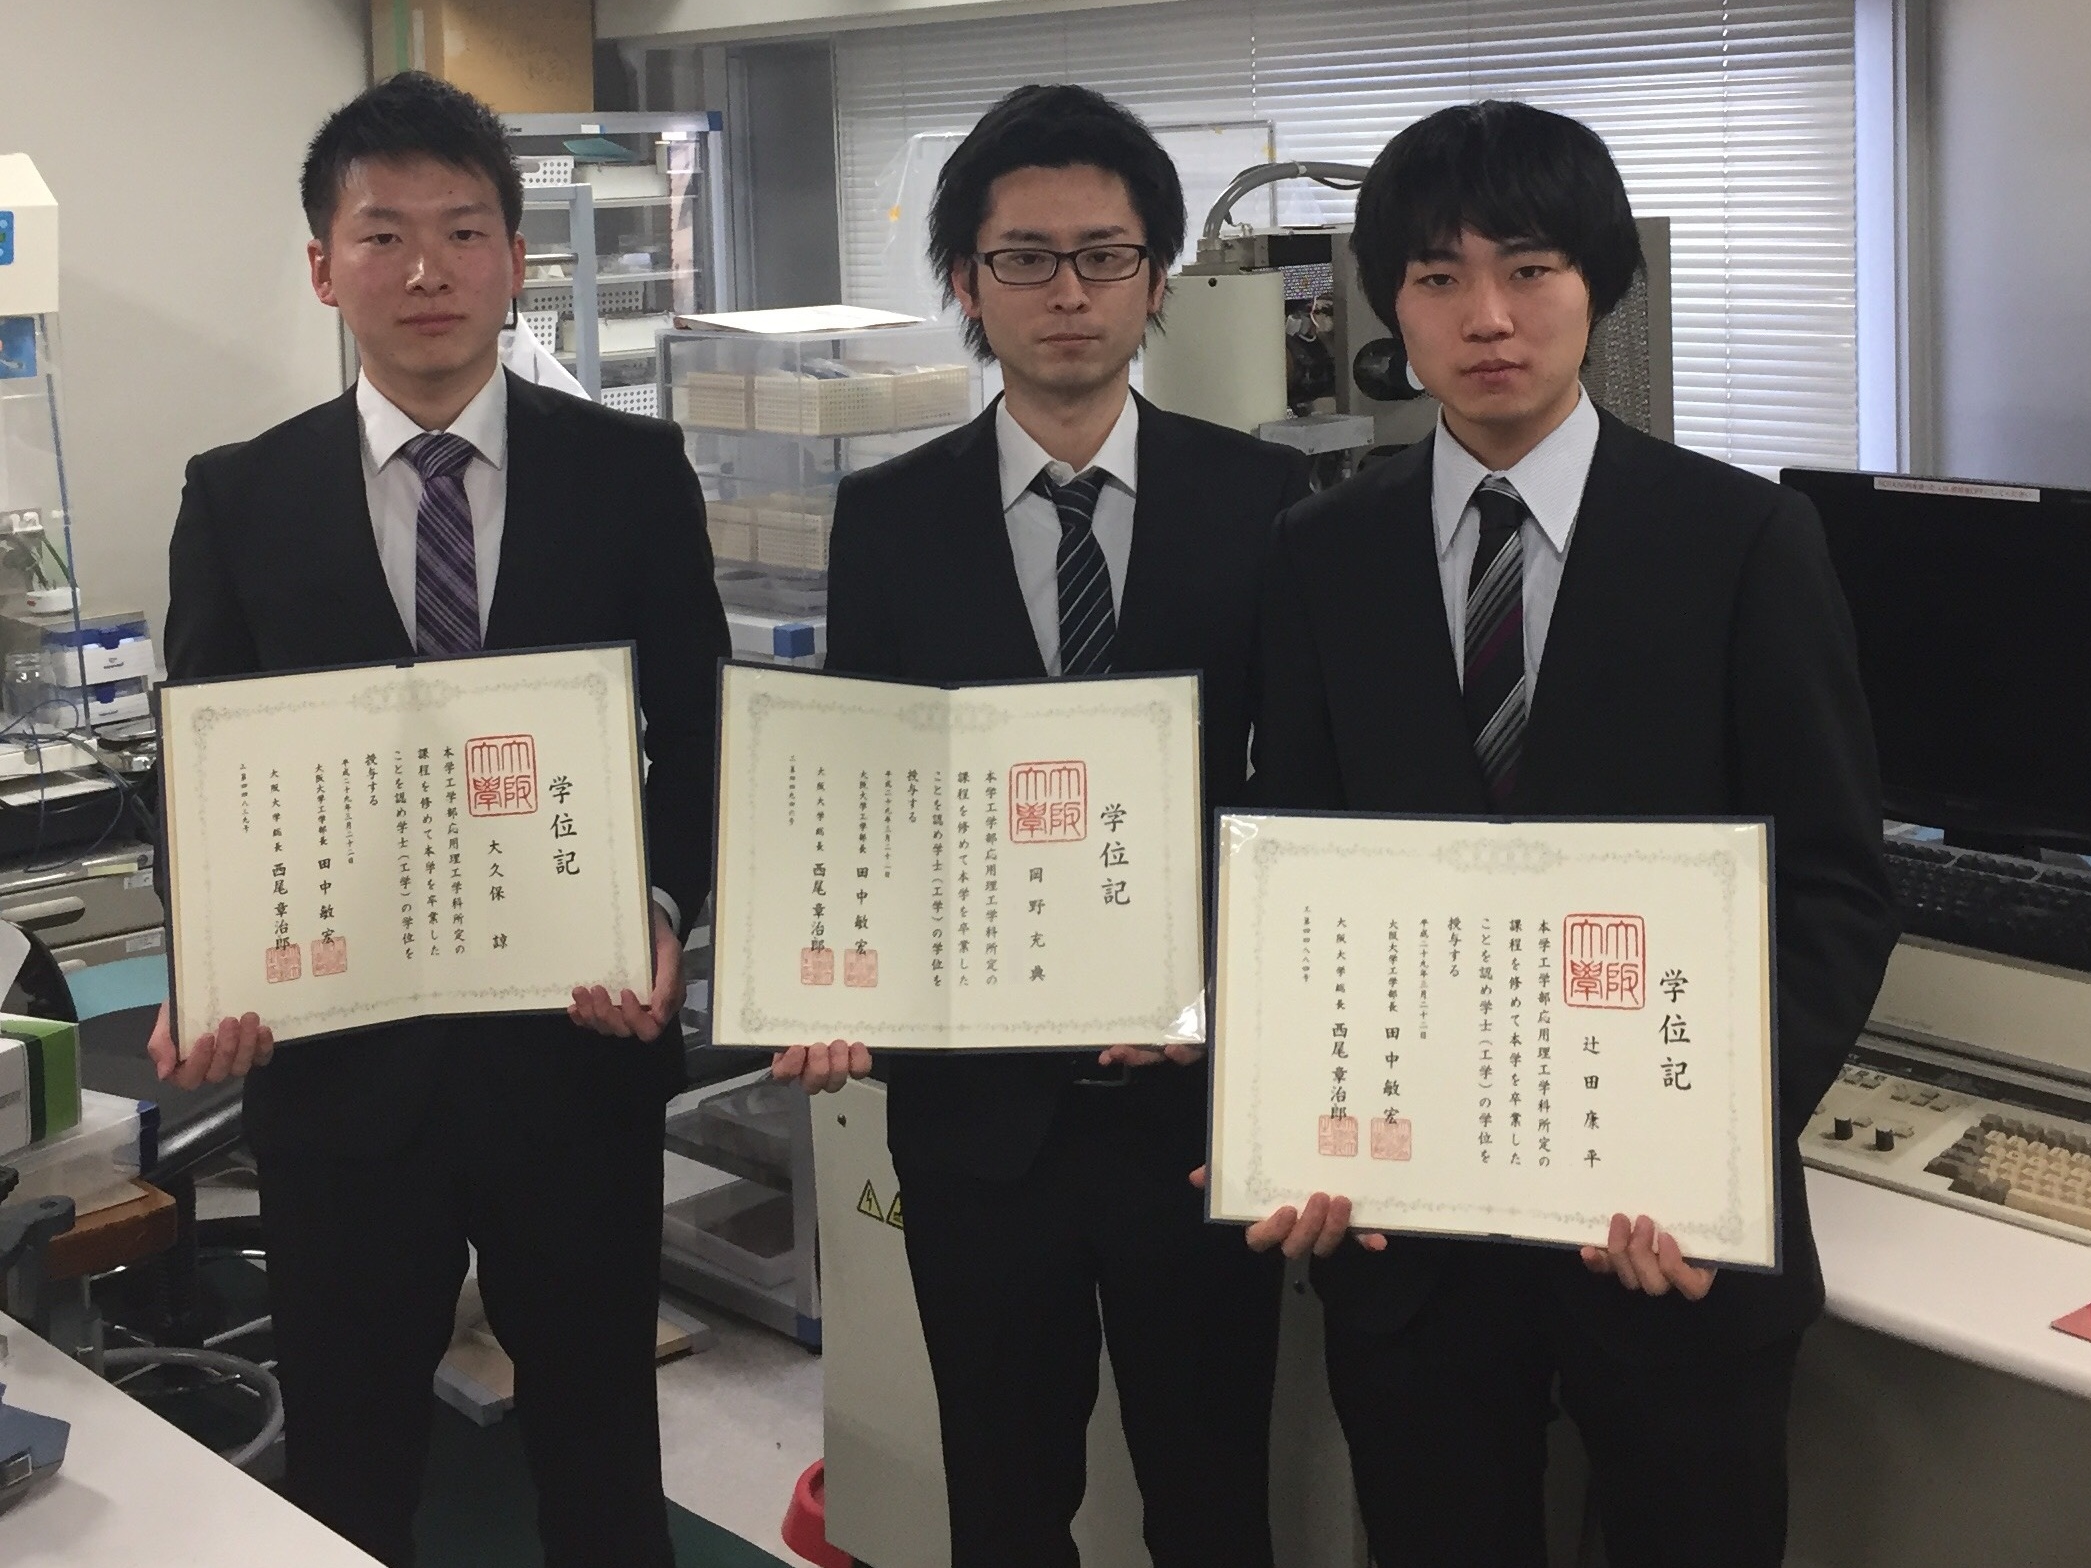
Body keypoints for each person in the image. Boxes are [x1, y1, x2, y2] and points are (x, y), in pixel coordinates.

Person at [1239, 100, 1898, 1567]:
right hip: (1409, 1239)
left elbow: (1837, 888)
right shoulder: (1321, 552)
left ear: (1600, 285)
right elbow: (1297, 865)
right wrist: (1287, 1120)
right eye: (1437, 277)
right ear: (1390, 304)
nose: (1487, 317)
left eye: (1530, 269)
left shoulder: (1742, 540)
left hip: (1671, 1238)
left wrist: (1713, 1146)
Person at [147, 72, 729, 1568]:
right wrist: (208, 960)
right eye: (383, 234)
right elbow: (202, 766)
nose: (426, 271)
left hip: (574, 1059)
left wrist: (662, 910)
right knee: (353, 1469)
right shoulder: (239, 497)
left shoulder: (631, 472)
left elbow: (704, 733)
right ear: (322, 265)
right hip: (342, 1078)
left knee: (604, 1459)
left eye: (464, 232)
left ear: (515, 258)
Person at [771, 84, 1308, 1568]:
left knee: (1214, 1501)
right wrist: (823, 969)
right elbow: (866, 791)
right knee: (1004, 1506)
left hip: (1197, 1112)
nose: (1067, 292)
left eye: (1104, 255)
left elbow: (1297, 792)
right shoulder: (889, 518)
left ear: (1155, 277)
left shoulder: (1265, 500)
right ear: (966, 280)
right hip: (976, 1122)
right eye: (1024, 258)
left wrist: (1223, 989)